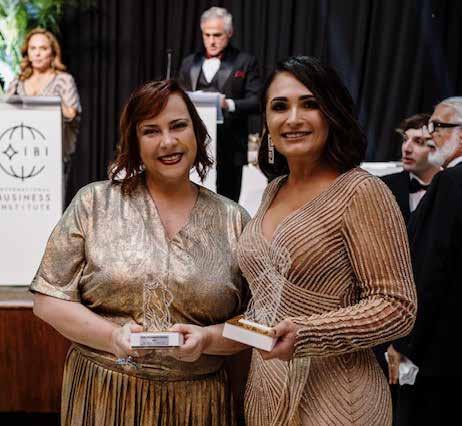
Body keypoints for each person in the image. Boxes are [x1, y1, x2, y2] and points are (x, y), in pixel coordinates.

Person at [31, 80, 250, 425]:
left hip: (196, 403)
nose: (168, 141)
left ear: (197, 132)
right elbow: (47, 300)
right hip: (103, 395)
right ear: (133, 141)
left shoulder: (233, 219)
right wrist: (111, 337)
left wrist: (208, 339)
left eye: (178, 126)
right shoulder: (94, 203)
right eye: (151, 131)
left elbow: (255, 325)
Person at [236, 56, 417, 425]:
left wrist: (308, 332)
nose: (293, 118)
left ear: (332, 113)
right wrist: (208, 338)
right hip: (266, 397)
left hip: (339, 401)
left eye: (310, 104)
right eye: (279, 106)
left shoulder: (361, 191)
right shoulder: (273, 190)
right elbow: (268, 305)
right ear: (266, 121)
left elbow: (397, 306)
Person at [388, 97, 462, 425]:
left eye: (439, 126)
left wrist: (403, 343)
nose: (433, 135)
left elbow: (431, 267)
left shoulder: (450, 182)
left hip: (439, 350)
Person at [178, 6, 261, 202]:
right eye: (207, 35)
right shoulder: (190, 63)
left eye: (217, 35)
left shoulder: (245, 61)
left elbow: (257, 102)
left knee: (228, 202)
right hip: (194, 143)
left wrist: (228, 104)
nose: (211, 41)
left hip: (231, 144)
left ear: (229, 33)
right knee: (190, 199)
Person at [6, 27, 81, 194]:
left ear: (52, 53)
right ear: (27, 52)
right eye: (33, 48)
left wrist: (56, 102)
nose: (37, 53)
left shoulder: (63, 80)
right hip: (18, 156)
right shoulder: (18, 81)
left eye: (43, 48)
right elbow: (5, 112)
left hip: (52, 155)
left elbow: (71, 115)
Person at [381, 113, 440, 222]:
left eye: (418, 142)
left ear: (438, 148)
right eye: (405, 139)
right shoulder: (382, 186)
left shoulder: (453, 187)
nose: (406, 149)